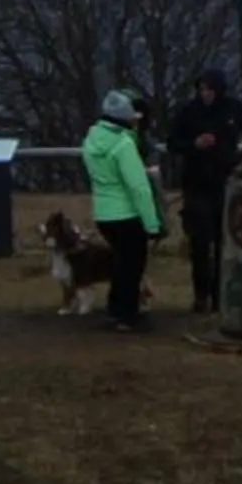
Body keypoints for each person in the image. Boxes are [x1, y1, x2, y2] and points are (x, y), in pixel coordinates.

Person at [165, 70, 242, 312]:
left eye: (209, 89)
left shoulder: (234, 110)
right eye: (202, 89)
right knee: (199, 242)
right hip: (196, 184)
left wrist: (240, 160)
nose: (205, 94)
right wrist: (193, 144)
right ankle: (201, 295)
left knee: (224, 242)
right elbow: (172, 142)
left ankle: (221, 295)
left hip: (226, 183)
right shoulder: (189, 112)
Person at [81, 89, 163, 331]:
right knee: (132, 266)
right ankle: (126, 315)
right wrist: (152, 223)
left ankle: (115, 310)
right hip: (127, 215)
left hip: (103, 213)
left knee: (120, 263)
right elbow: (138, 188)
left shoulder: (91, 139)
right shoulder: (124, 144)